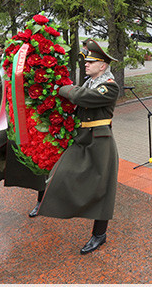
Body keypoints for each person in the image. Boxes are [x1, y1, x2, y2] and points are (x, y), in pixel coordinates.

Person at [37, 40, 122, 254]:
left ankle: (99, 234)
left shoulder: (110, 86)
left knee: (102, 189)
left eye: (91, 62)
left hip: (100, 143)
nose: (86, 64)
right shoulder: (89, 82)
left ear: (102, 66)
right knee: (63, 172)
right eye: (87, 61)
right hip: (82, 138)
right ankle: (46, 202)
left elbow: (81, 97)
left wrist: (62, 88)